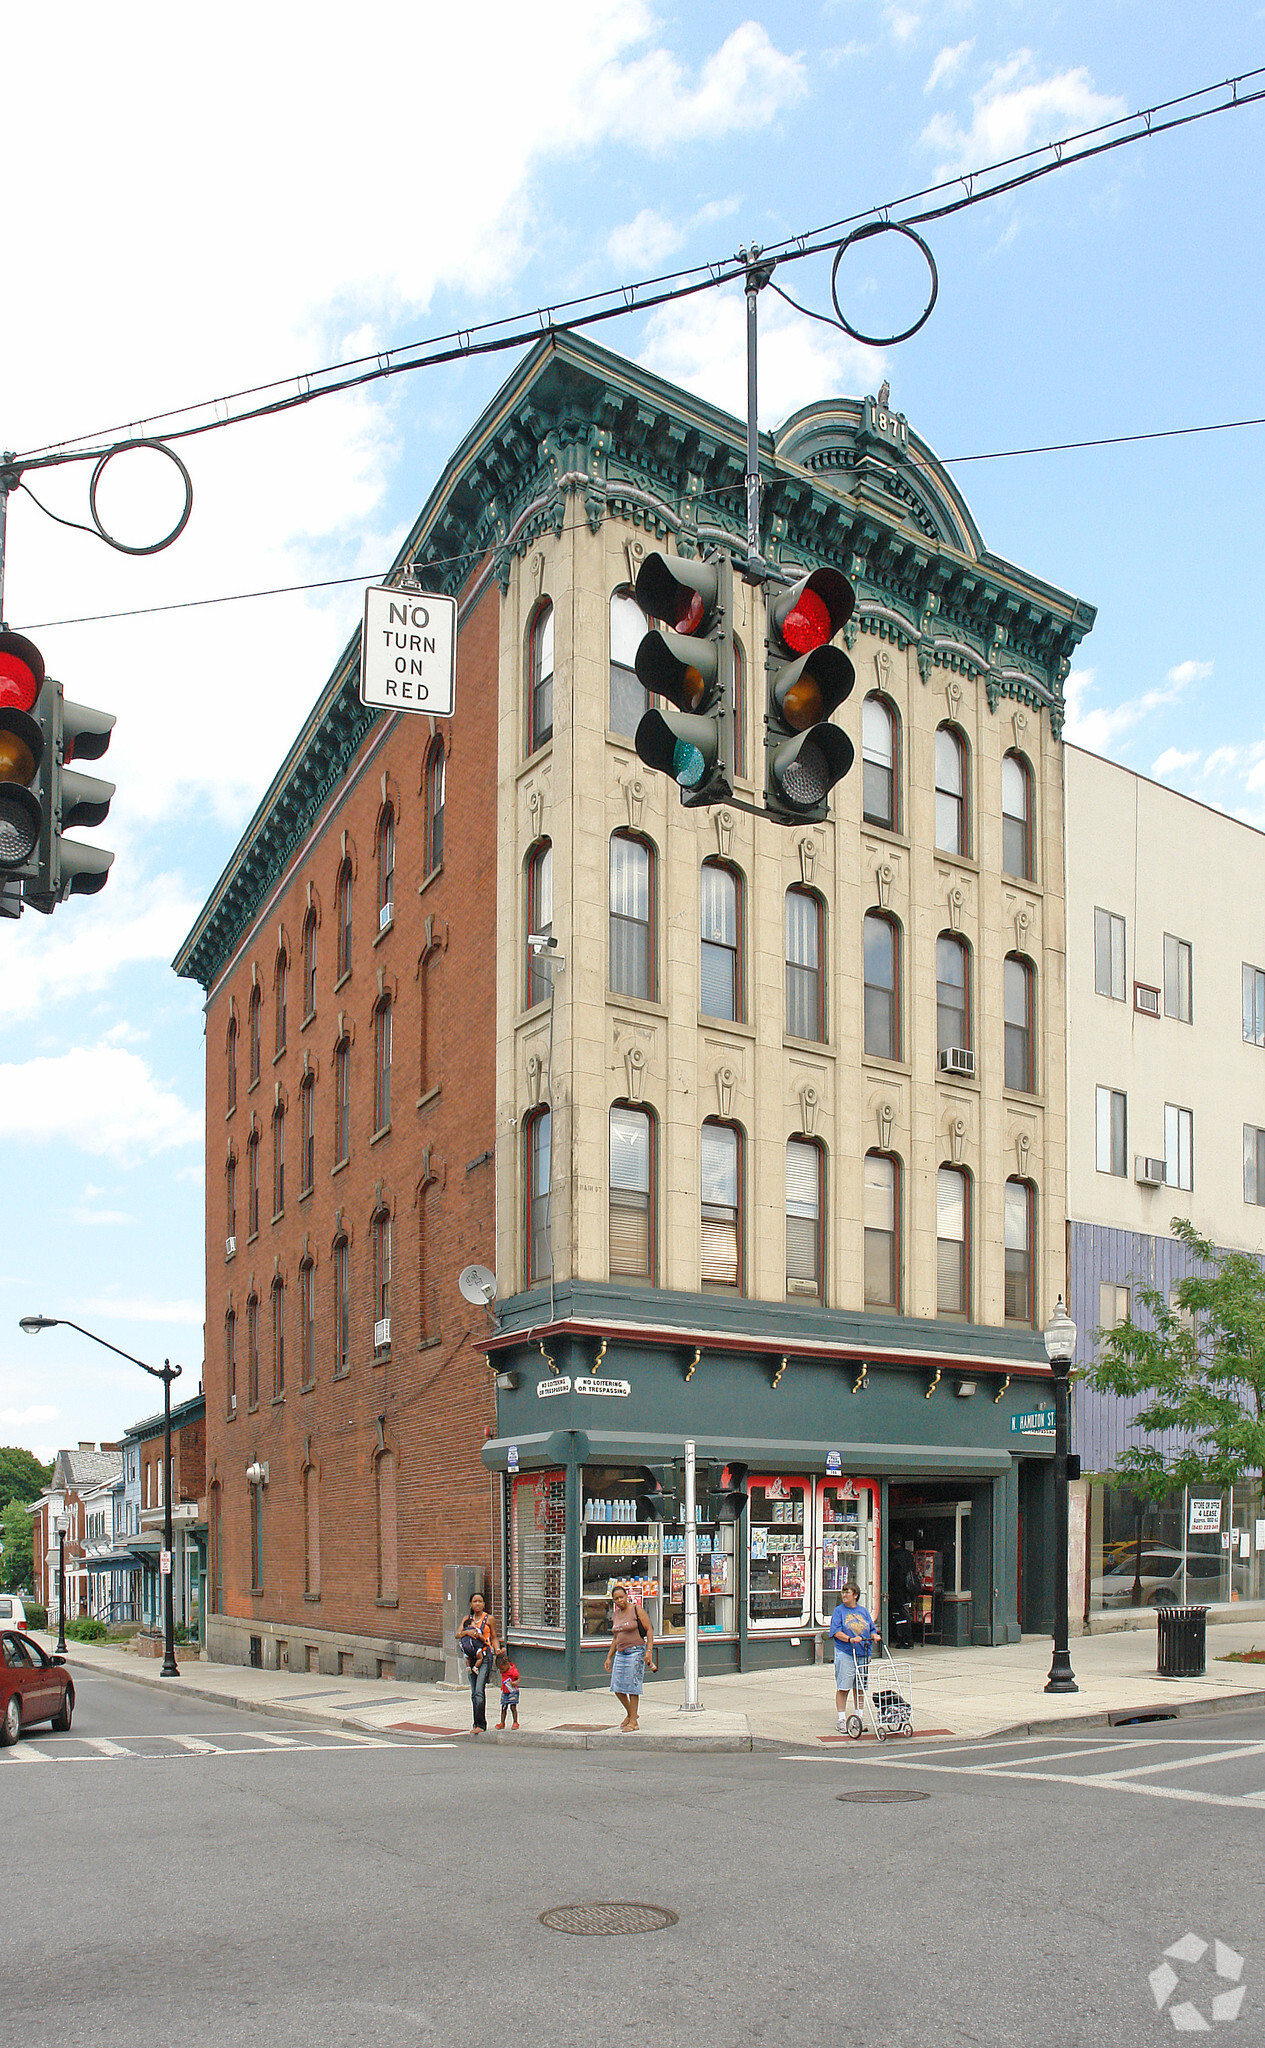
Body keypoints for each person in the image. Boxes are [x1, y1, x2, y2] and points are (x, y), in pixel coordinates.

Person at [603, 1581, 655, 1733]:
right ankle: (632, 1714)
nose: (620, 1601)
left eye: (621, 1597)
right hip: (621, 1652)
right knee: (617, 1687)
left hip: (636, 1651)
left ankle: (633, 1722)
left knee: (632, 1687)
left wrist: (649, 1651)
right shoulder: (616, 1615)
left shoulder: (636, 1610)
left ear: (626, 1596)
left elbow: (649, 1630)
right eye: (616, 1599)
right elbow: (615, 1637)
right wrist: (609, 1657)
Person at [830, 1580, 878, 1731]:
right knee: (844, 1687)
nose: (844, 1595)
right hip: (846, 1652)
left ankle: (859, 1717)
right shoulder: (839, 1611)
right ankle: (842, 1719)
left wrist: (874, 1636)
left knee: (860, 1687)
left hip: (863, 1652)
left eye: (847, 1592)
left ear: (855, 1595)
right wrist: (850, 1639)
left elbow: (871, 1628)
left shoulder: (863, 1611)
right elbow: (836, 1632)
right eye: (843, 1592)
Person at [457, 1591, 498, 1735]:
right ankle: (477, 1723)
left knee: (480, 1690)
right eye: (474, 1601)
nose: (477, 1604)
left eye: (480, 1601)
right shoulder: (467, 1619)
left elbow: (494, 1637)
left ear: (484, 1604)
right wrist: (467, 1633)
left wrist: (497, 1649)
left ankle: (480, 1724)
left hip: (484, 1656)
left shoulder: (489, 1619)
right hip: (470, 1656)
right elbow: (458, 1634)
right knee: (474, 1692)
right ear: (470, 1604)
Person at [495, 1650, 520, 1731]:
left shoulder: (513, 1671)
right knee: (504, 1707)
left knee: (513, 1706)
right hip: (505, 1691)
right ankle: (502, 1722)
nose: (501, 1671)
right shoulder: (503, 1671)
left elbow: (519, 1678)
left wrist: (515, 1683)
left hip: (512, 1692)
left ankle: (515, 1722)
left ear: (507, 1664)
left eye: (502, 1669)